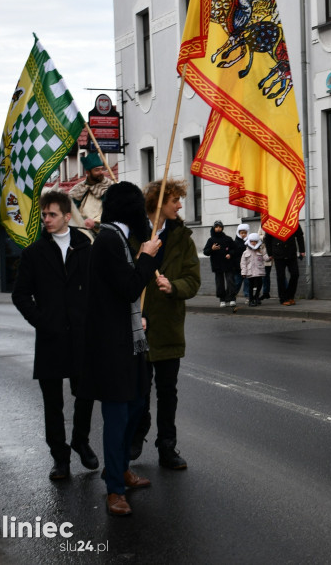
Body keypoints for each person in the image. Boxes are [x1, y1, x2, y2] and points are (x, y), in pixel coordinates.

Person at [82, 181, 160, 517]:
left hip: (129, 341)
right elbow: (129, 288)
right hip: (112, 347)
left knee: (137, 405)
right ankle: (114, 488)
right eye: (141, 207)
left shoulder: (118, 238)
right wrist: (146, 258)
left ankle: (122, 469)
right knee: (117, 417)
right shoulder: (108, 241)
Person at [11, 190, 99, 481]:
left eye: (52, 214)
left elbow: (96, 285)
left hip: (82, 335)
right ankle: (60, 458)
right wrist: (41, 320)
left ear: (65, 215)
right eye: (44, 215)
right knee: (53, 403)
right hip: (50, 336)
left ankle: (81, 441)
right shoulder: (34, 253)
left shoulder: (84, 245)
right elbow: (20, 294)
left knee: (85, 393)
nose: (46, 220)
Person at [134, 178, 201, 471]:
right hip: (137, 326)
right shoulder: (133, 235)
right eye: (174, 200)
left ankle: (167, 447)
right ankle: (135, 437)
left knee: (167, 392)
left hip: (169, 326)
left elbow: (193, 280)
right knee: (138, 390)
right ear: (158, 202)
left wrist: (173, 286)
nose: (179, 205)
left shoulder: (182, 238)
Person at [68, 152, 111, 236]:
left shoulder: (110, 187)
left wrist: (95, 223)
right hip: (81, 231)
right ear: (88, 172)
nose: (101, 172)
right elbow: (70, 209)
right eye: (97, 170)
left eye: (101, 169)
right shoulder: (79, 188)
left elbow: (113, 213)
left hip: (103, 232)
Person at [265, 223, 305, 306]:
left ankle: (290, 296)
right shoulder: (273, 221)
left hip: (291, 252)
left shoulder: (292, 220)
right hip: (278, 253)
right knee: (281, 277)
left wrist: (302, 250)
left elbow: (299, 235)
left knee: (295, 274)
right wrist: (270, 253)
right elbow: (267, 238)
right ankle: (283, 298)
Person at [203, 221, 238, 308]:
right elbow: (205, 252)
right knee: (220, 283)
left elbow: (235, 249)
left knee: (230, 281)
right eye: (216, 227)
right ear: (214, 228)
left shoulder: (228, 239)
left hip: (228, 264)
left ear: (222, 228)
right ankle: (222, 299)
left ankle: (232, 298)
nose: (218, 229)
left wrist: (230, 254)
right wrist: (212, 249)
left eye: (220, 227)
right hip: (217, 265)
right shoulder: (211, 240)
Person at [241, 233, 269, 305]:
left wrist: (269, 255)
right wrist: (243, 272)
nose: (253, 243)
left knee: (259, 284)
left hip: (259, 272)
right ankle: (251, 300)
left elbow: (266, 259)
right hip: (250, 272)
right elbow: (243, 263)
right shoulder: (245, 252)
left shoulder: (261, 251)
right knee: (250, 286)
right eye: (252, 241)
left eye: (255, 241)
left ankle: (256, 297)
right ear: (249, 242)